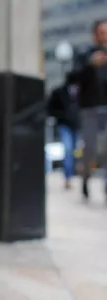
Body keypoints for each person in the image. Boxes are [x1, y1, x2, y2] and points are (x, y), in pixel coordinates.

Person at [74, 19, 107, 200]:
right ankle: (86, 178)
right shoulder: (84, 54)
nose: (104, 35)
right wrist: (90, 65)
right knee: (91, 149)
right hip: (90, 109)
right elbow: (72, 78)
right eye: (101, 32)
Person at [47, 72, 81, 189]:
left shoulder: (82, 93)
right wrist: (61, 116)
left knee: (75, 150)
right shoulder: (58, 92)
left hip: (77, 125)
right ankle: (68, 177)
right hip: (64, 124)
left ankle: (72, 173)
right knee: (68, 149)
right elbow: (50, 108)